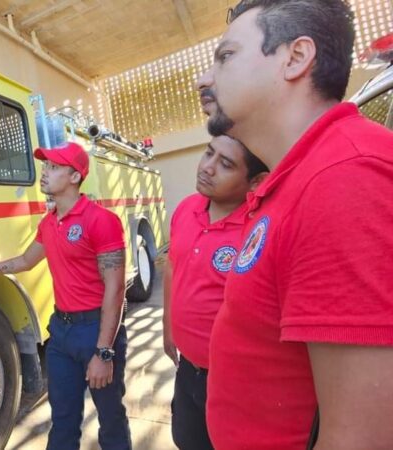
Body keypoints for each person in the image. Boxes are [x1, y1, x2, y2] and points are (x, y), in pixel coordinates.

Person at [196, 1, 393, 448]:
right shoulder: (300, 177)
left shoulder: (344, 178)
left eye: (226, 56)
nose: (204, 79)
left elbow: (362, 439)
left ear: (295, 58)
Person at [0, 141, 131, 450]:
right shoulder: (49, 224)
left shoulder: (102, 221)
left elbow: (115, 290)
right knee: (63, 419)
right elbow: (24, 261)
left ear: (75, 176)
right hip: (61, 334)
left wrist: (104, 352)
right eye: (45, 166)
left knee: (111, 418)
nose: (44, 172)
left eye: (53, 167)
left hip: (97, 331)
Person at [162, 135, 268, 450]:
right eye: (209, 153)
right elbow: (172, 266)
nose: (207, 167)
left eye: (225, 164)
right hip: (187, 370)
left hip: (233, 381)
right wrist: (169, 326)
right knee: (187, 440)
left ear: (255, 181)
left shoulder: (258, 229)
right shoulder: (186, 209)